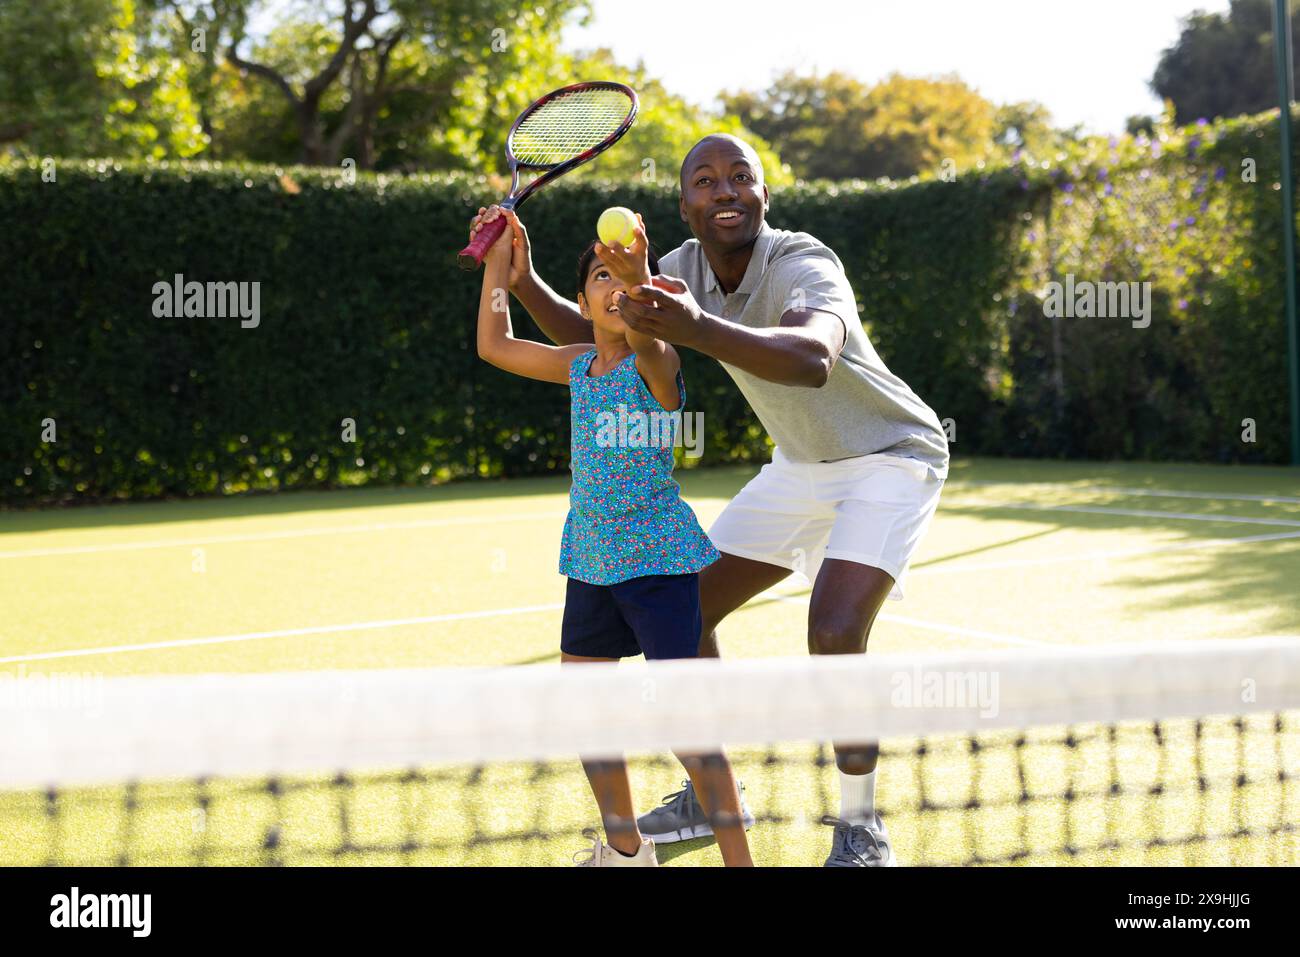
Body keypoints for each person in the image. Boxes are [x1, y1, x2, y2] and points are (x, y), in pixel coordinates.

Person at [469, 133, 950, 867]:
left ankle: (861, 828)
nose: (724, 190)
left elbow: (813, 359)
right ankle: (708, 792)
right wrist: (526, 279)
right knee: (688, 606)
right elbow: (604, 348)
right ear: (685, 205)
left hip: (889, 456)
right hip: (798, 464)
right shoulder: (677, 270)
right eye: (705, 180)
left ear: (764, 195)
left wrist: (693, 325)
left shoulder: (804, 262)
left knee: (833, 626)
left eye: (740, 178)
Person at [472, 203, 755, 867]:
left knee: (687, 723)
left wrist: (640, 282)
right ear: (581, 298)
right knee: (587, 711)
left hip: (658, 566)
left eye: (626, 278)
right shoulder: (576, 366)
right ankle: (627, 849)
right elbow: (494, 345)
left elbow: (654, 345)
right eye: (601, 276)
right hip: (592, 564)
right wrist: (495, 262)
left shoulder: (657, 366)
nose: (614, 286)